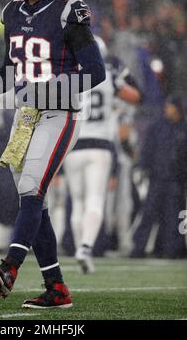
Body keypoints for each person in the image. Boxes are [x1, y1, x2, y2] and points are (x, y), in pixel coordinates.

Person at [0, 0, 106, 309]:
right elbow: (11, 67)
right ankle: (56, 288)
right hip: (27, 115)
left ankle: (10, 267)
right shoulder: (12, 12)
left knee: (30, 188)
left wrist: (50, 88)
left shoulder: (67, 10)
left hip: (60, 112)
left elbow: (95, 72)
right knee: (34, 202)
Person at [63, 40, 141, 273]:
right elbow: (136, 96)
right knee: (95, 200)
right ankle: (85, 248)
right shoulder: (107, 74)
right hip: (100, 146)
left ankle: (78, 247)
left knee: (76, 202)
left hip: (73, 145)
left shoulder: (68, 75)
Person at [130, 95, 187, 259]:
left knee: (174, 216)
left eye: (170, 106)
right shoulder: (157, 127)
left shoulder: (183, 128)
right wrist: (142, 167)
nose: (166, 109)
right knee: (148, 214)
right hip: (157, 177)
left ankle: (172, 250)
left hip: (176, 180)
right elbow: (148, 149)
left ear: (177, 108)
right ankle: (138, 249)